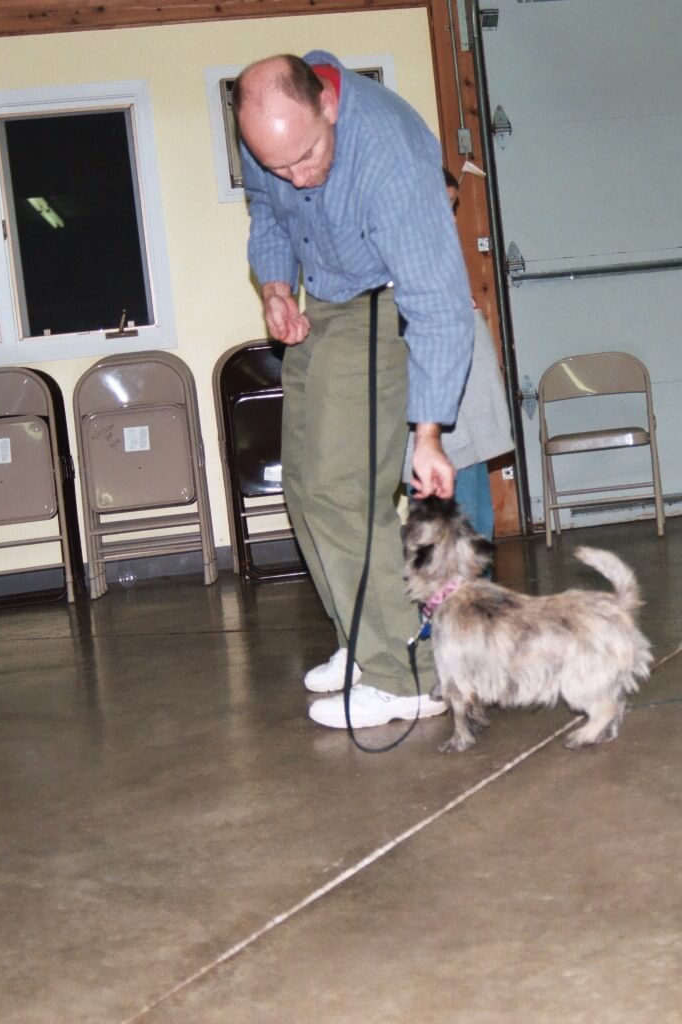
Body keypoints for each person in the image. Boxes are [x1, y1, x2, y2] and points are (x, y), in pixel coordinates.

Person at [235, 52, 474, 730]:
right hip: (324, 300)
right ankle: (362, 638)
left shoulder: (389, 156)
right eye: (277, 163)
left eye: (305, 157)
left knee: (345, 492)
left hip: (384, 302)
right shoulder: (271, 135)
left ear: (329, 107)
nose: (295, 175)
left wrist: (427, 433)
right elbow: (267, 209)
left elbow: (440, 303)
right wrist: (277, 287)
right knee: (305, 488)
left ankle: (408, 677)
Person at [401, 168, 516, 541]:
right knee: (450, 533)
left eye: (454, 206)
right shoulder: (403, 260)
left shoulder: (437, 256)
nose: (452, 217)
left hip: (468, 422)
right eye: (445, 206)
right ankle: (447, 600)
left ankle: (473, 598)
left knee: (478, 525)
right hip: (444, 429)